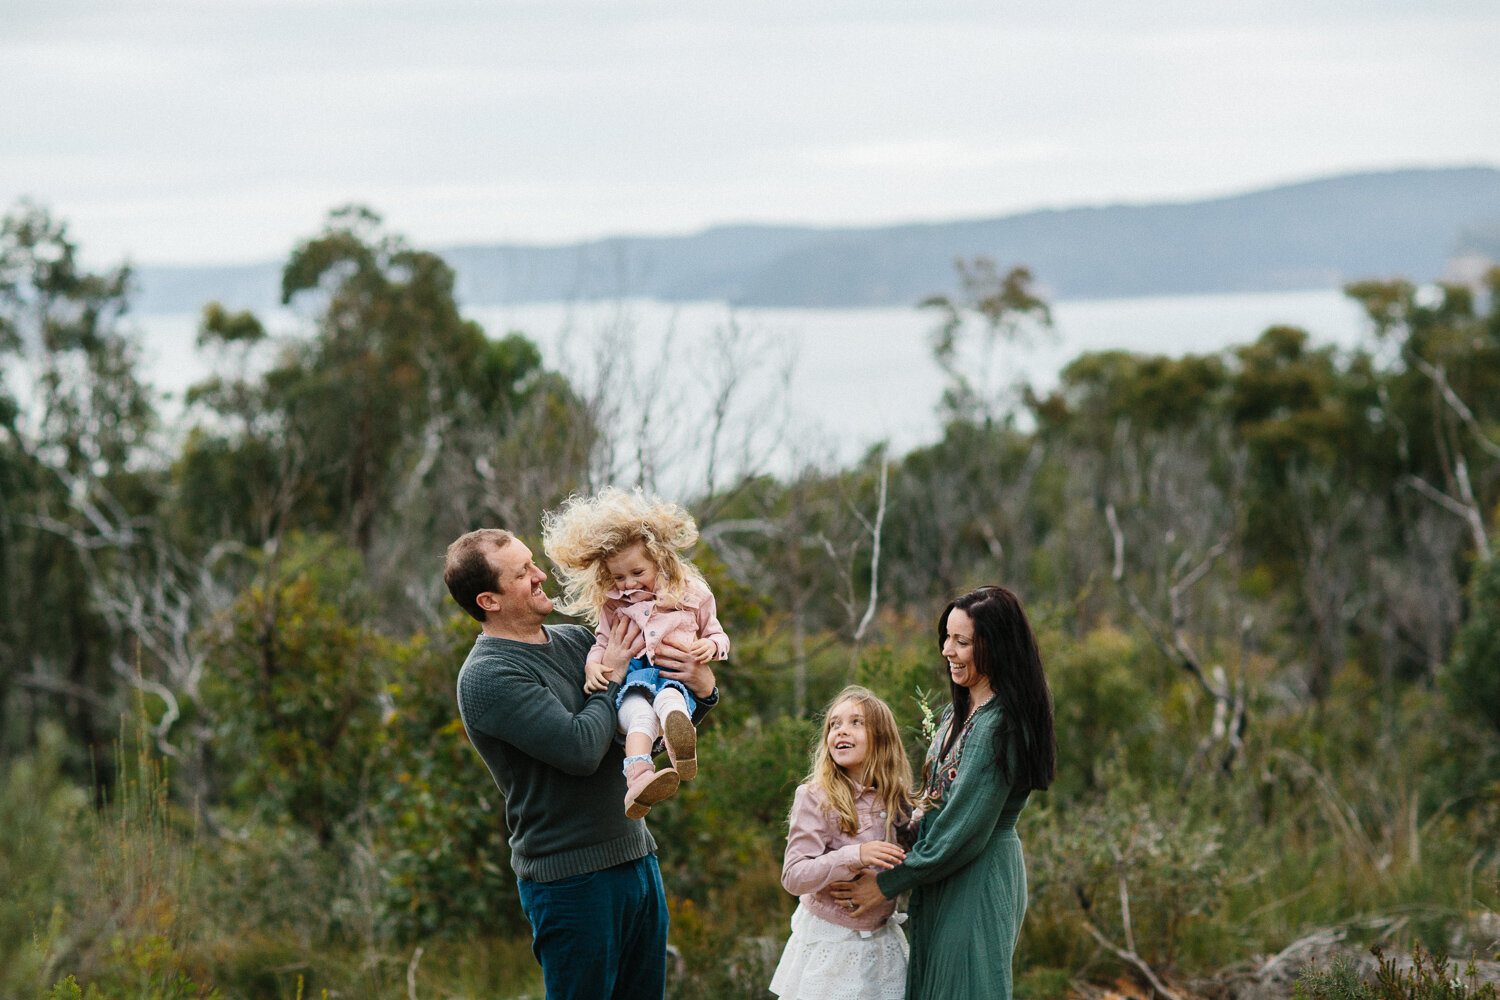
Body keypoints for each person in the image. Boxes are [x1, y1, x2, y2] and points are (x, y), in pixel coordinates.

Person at [444, 527, 720, 1000]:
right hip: (570, 882)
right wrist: (612, 673)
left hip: (636, 858)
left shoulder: (576, 641)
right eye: (522, 573)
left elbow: (638, 728)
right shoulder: (489, 676)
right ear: (488, 600)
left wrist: (703, 688)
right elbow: (581, 750)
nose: (539, 575)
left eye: (533, 562)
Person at [832, 586, 1057, 1000]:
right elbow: (935, 804)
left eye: (962, 641)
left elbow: (963, 831)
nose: (947, 651)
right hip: (942, 871)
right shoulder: (961, 710)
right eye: (946, 638)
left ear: (997, 646)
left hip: (977, 870)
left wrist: (887, 883)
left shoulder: (999, 724)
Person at [542, 487, 729, 817]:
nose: (628, 583)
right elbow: (601, 643)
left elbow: (716, 633)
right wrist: (592, 667)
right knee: (639, 715)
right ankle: (638, 780)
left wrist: (711, 646)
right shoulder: (613, 606)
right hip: (634, 681)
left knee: (670, 699)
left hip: (673, 680)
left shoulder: (692, 595)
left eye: (637, 573)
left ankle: (681, 747)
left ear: (661, 562)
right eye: (618, 577)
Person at [768, 686, 918, 1000]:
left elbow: (914, 862)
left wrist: (887, 882)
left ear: (882, 737)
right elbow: (793, 876)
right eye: (834, 724)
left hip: (882, 946)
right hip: (831, 945)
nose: (841, 731)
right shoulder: (815, 797)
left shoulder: (900, 801)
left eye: (855, 723)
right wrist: (854, 856)